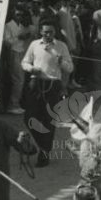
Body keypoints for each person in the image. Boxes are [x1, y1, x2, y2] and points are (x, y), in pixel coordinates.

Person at [22, 17, 73, 167]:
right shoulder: (34, 44)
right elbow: (24, 61)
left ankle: (44, 152)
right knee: (29, 117)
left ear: (55, 32)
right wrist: (31, 69)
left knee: (48, 120)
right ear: (40, 32)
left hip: (53, 84)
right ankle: (41, 145)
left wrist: (61, 62)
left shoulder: (61, 46)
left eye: (50, 32)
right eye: (45, 33)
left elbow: (70, 68)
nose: (47, 36)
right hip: (35, 83)